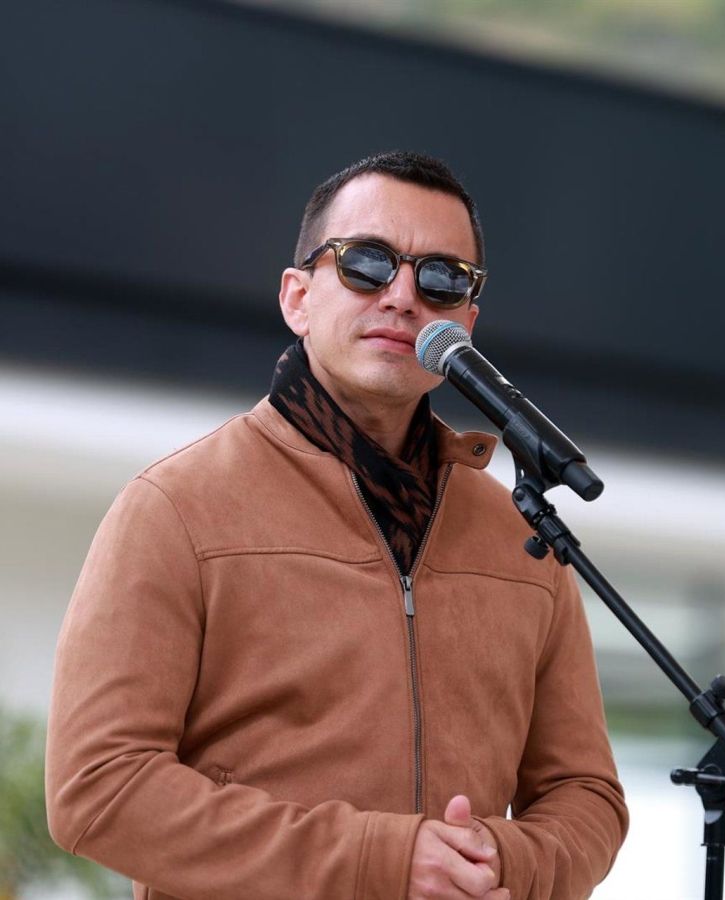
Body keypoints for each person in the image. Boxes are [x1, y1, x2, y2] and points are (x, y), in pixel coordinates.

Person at [45, 151, 628, 900]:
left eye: (443, 279)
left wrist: (502, 859)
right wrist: (381, 862)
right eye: (367, 263)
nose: (403, 297)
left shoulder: (523, 534)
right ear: (298, 297)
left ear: (466, 322)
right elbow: (99, 788)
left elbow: (585, 793)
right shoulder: (174, 507)